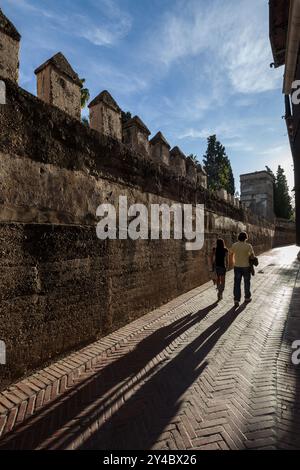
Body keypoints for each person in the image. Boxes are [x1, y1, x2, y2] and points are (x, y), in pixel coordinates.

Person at [230, 232, 255, 307]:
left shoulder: (234, 245)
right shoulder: (248, 246)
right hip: (246, 267)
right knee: (247, 282)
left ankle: (236, 300)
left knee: (237, 283)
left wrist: (232, 262)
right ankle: (247, 297)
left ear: (238, 237)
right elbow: (252, 256)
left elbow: (231, 254)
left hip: (237, 266)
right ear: (246, 237)